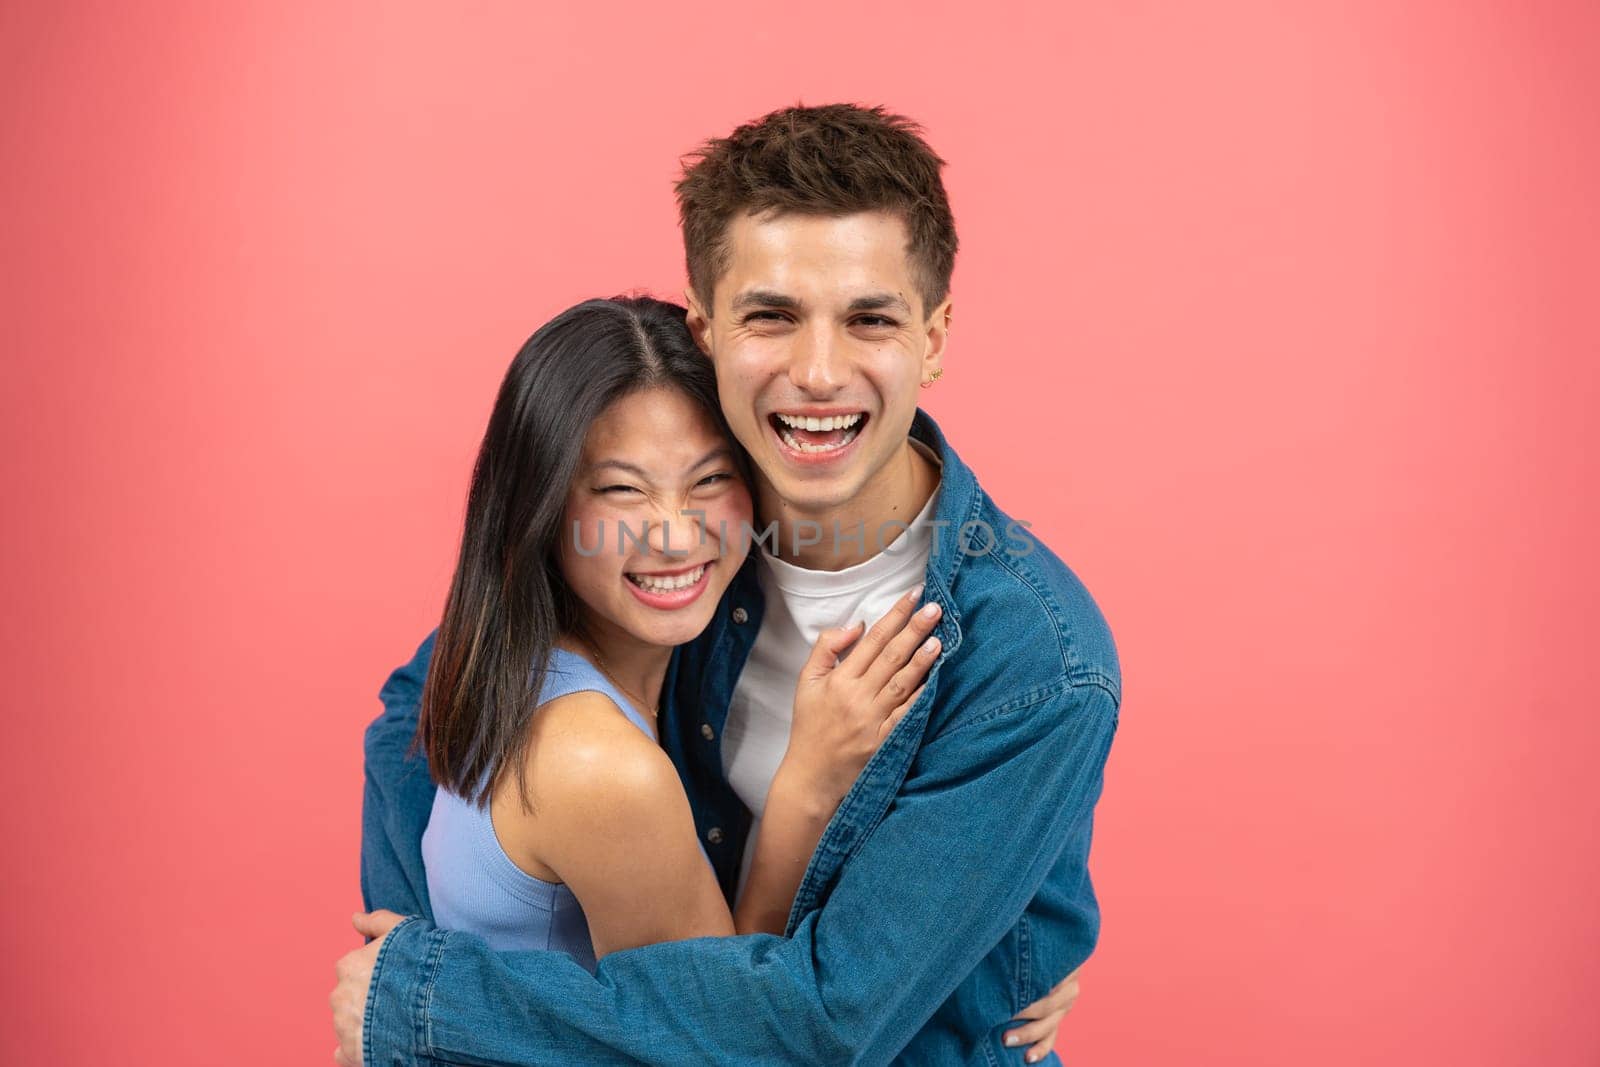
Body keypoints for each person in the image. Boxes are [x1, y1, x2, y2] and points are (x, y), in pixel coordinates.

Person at [335, 103, 1119, 1067]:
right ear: (705, 328)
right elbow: (421, 707)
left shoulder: (1034, 660)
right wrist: (407, 939)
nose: (819, 372)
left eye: (870, 318)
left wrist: (431, 998)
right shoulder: (691, 553)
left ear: (935, 336)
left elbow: (829, 1023)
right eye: (773, 316)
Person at [413, 294, 940, 969]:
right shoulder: (602, 768)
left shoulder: (509, 655)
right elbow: (724, 1024)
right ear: (541, 507)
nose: (675, 535)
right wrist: (807, 783)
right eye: (621, 490)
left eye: (712, 478)